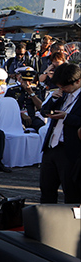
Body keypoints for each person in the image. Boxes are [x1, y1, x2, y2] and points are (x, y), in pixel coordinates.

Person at [38, 62, 81, 204]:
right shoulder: (60, 94)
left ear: (78, 81)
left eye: (65, 86)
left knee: (71, 191)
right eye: (60, 86)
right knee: (46, 188)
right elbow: (44, 111)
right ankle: (46, 222)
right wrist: (54, 99)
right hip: (52, 146)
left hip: (71, 149)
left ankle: (72, 223)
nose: (62, 89)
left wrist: (66, 117)